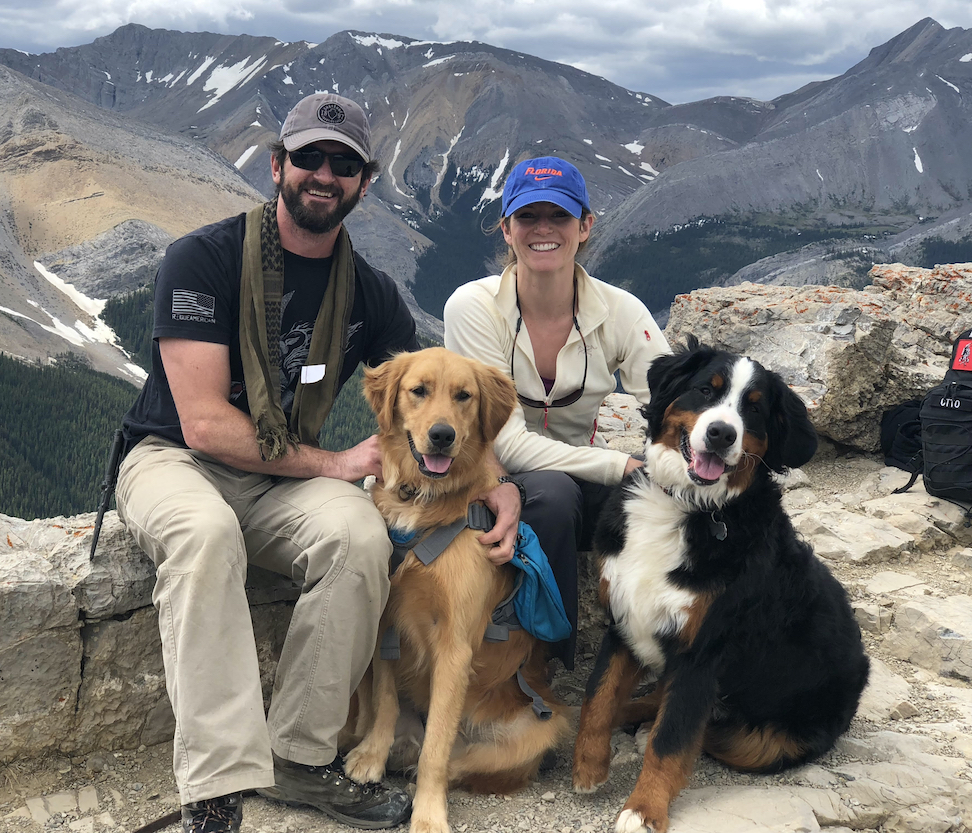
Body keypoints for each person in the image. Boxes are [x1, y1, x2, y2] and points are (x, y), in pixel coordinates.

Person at [116, 93, 420, 833]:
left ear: (363, 182)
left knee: (358, 540)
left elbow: (431, 403)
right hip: (172, 456)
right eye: (309, 157)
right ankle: (217, 790)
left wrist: (498, 488)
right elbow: (206, 422)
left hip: (280, 476)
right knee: (205, 535)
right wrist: (339, 461)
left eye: (342, 163)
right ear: (277, 165)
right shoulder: (204, 258)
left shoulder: (374, 297)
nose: (324, 173)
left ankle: (298, 757)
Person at [443, 156, 671, 670]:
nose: (543, 229)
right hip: (484, 477)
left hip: (571, 478)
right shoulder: (472, 307)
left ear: (585, 227)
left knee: (666, 495)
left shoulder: (622, 312)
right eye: (527, 217)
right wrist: (624, 466)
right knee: (555, 493)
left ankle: (669, 651)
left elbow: (672, 399)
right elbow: (508, 445)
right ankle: (541, 667)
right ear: (506, 229)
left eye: (560, 217)